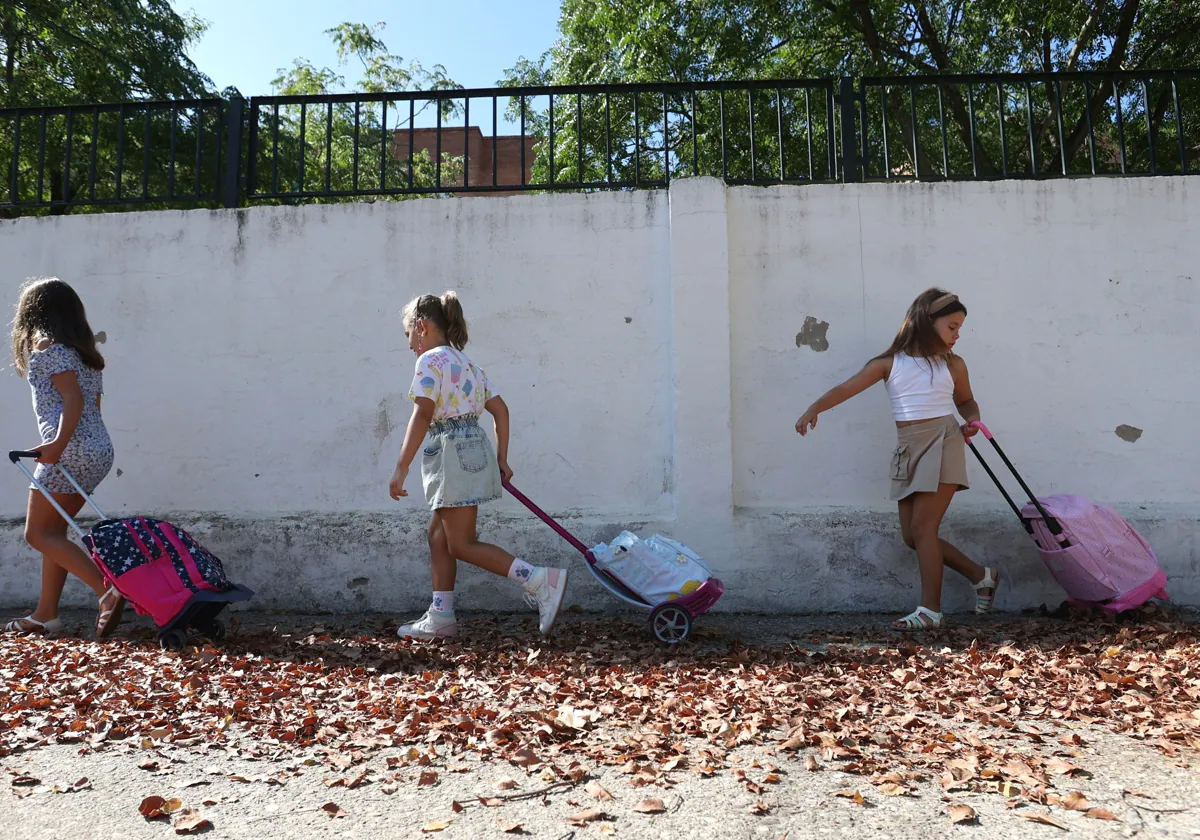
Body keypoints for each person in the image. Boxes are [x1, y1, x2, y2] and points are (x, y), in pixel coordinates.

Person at [795, 288, 1000, 630]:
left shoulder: (953, 365)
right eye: (951, 326)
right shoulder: (888, 364)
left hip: (944, 441)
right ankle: (981, 575)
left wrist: (972, 419)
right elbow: (847, 388)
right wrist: (815, 408)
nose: (957, 335)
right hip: (908, 448)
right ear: (926, 321)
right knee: (911, 536)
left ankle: (930, 611)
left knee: (923, 529)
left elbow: (966, 402)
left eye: (959, 328)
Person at [388, 291, 568, 639]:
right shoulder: (467, 364)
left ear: (422, 327)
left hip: (450, 453)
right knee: (438, 534)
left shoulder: (429, 362)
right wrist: (501, 458)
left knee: (461, 543)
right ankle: (441, 616)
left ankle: (539, 580)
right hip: (474, 449)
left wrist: (401, 466)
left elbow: (423, 413)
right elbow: (500, 410)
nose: (409, 344)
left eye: (408, 334)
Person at [6, 277, 124, 637]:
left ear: (34, 313)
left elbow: (72, 399)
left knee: (37, 533)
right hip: (97, 449)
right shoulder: (85, 354)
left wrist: (56, 445)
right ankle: (45, 614)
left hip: (70, 451)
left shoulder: (49, 349)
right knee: (54, 532)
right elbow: (94, 404)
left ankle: (106, 591)